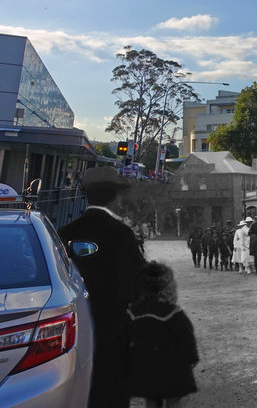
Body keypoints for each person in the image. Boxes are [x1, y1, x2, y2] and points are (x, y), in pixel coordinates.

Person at [59, 166, 146, 408]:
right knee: (112, 385)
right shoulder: (121, 233)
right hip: (112, 324)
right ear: (115, 198)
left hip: (75, 323)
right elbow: (137, 280)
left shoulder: (65, 233)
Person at [126, 261, 199, 407]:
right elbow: (186, 339)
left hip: (145, 366)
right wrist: (191, 358)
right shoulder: (174, 314)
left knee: (151, 399)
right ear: (168, 288)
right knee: (174, 400)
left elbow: (126, 340)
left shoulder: (133, 314)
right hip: (173, 368)